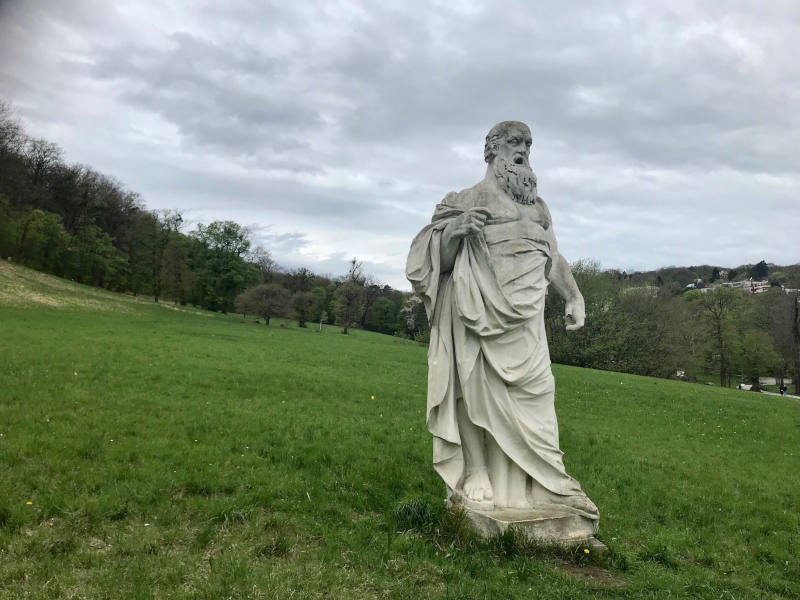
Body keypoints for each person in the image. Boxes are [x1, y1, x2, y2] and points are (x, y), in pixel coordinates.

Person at [406, 121, 598, 521]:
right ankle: (477, 471)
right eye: (514, 142)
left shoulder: (539, 208)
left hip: (527, 322)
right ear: (492, 149)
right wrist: (454, 231)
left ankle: (543, 483)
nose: (523, 150)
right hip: (476, 309)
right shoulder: (465, 199)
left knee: (539, 396)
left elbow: (553, 259)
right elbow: (433, 263)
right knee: (473, 391)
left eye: (528, 143)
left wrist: (574, 295)